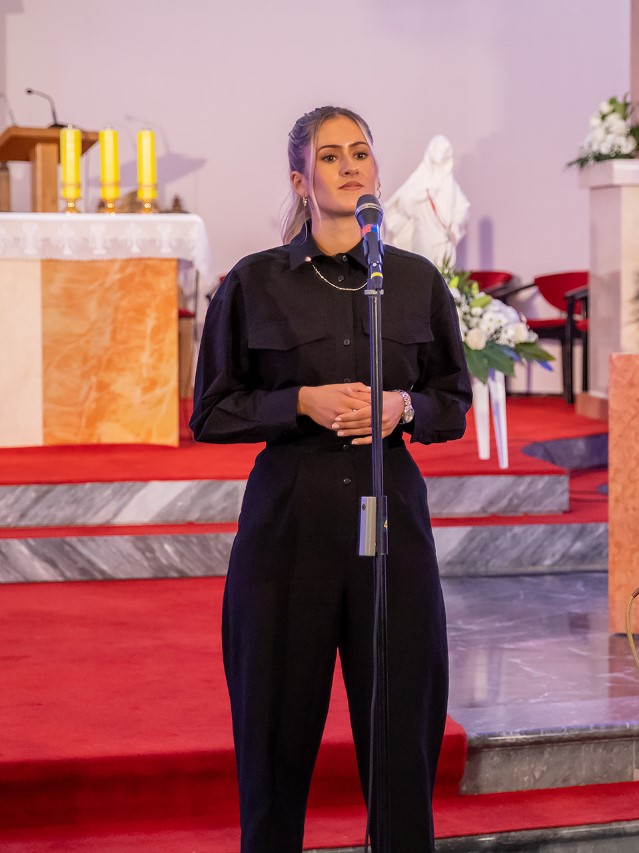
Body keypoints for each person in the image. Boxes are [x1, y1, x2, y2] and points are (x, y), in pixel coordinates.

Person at [190, 106, 470, 851]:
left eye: (361, 152)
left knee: (403, 741)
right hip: (290, 528)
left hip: (392, 527)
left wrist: (403, 407)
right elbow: (211, 411)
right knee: (274, 742)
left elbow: (452, 402)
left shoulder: (414, 281)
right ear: (300, 180)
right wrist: (299, 402)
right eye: (330, 155)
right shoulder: (255, 282)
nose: (350, 166)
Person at [383, 134, 471, 270]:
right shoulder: (420, 182)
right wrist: (421, 196)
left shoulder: (450, 184)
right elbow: (404, 204)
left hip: (445, 239)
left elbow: (462, 208)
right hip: (424, 237)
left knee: (445, 273)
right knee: (424, 270)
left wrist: (456, 224)